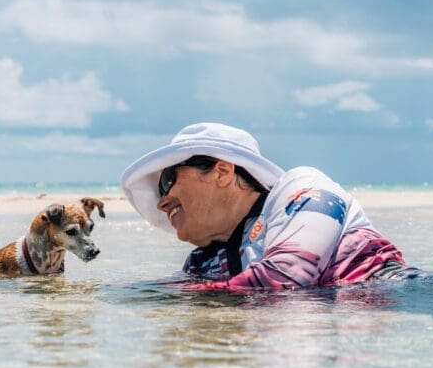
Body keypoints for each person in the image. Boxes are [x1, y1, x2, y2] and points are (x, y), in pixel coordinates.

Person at [120, 122, 406, 290]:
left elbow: (288, 276)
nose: (162, 201)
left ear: (222, 172)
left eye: (168, 180)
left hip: (404, 293)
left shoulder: (302, 188)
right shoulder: (202, 262)